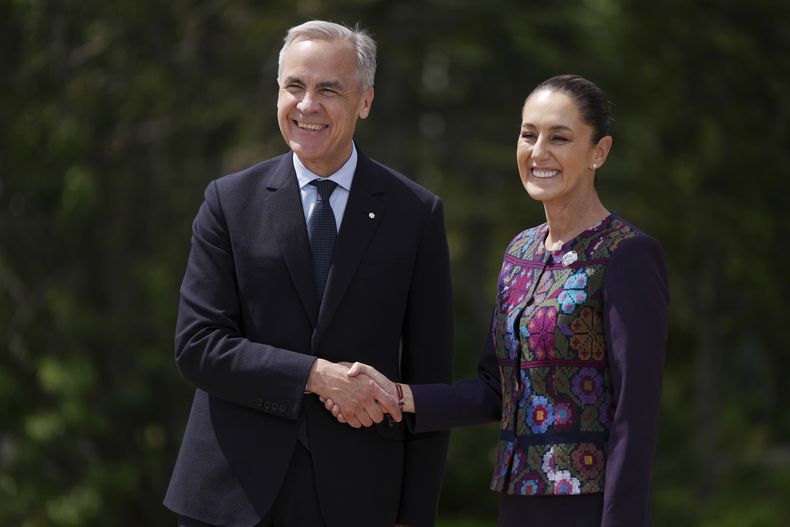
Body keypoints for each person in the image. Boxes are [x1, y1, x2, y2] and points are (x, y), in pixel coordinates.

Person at [326, 74, 670, 527]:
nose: (539, 152)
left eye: (560, 138)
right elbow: (496, 393)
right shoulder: (520, 252)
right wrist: (397, 395)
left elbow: (636, 413)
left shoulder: (627, 254)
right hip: (517, 500)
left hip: (587, 505)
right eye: (529, 135)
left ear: (599, 152)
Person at [164, 20, 454, 527]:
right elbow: (198, 347)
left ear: (365, 100)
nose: (307, 105)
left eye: (329, 89)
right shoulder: (227, 203)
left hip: (361, 495)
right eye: (294, 86)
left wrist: (416, 514)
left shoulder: (416, 214)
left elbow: (429, 379)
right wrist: (317, 376)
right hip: (230, 496)